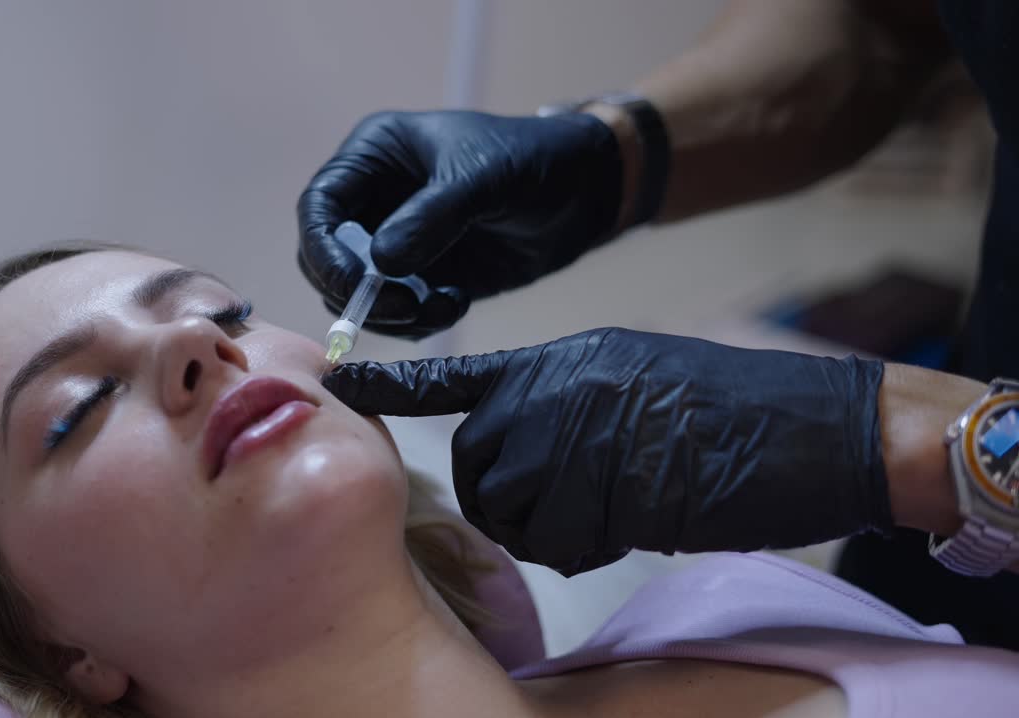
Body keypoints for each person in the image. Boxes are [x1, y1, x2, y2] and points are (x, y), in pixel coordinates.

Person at [0, 244, 1019, 718]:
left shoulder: (732, 602)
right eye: (78, 407)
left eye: (224, 310)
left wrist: (950, 455)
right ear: (57, 649)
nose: (195, 347)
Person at [296, 0, 1019, 648]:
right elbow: (887, 19)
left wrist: (891, 438)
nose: (201, 346)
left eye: (222, 315)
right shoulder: (764, 631)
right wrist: (617, 151)